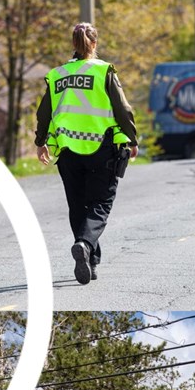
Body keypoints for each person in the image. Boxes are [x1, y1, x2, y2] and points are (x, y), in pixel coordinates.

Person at [34, 22, 138, 285]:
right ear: (94, 44)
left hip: (68, 150)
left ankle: (90, 260)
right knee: (101, 204)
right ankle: (84, 244)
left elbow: (44, 112)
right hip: (102, 148)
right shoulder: (103, 71)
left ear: (74, 44)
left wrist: (40, 141)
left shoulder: (57, 75)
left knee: (78, 205)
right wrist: (133, 138)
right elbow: (122, 109)